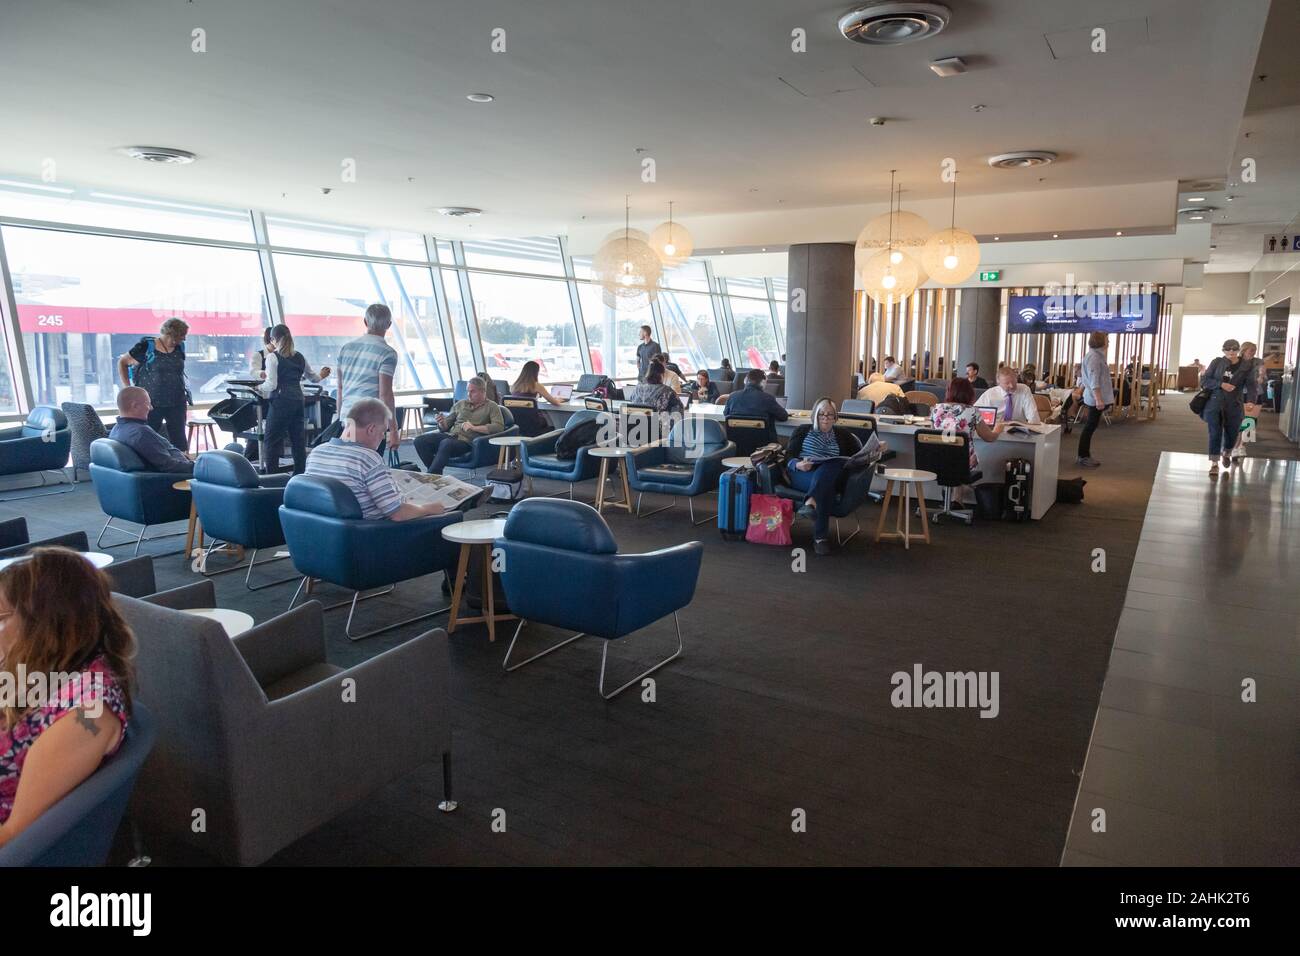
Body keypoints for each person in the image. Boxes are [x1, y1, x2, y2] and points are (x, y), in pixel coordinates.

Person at [0, 548, 134, 848]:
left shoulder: (86, 715)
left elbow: (15, 834)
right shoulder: (42, 664)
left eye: (0, 617)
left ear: (42, 625)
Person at [305, 398, 445, 521]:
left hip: (326, 529)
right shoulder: (367, 459)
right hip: (372, 534)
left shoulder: (316, 452)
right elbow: (397, 514)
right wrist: (430, 509)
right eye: (383, 432)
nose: (382, 437)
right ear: (371, 429)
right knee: (443, 514)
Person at [785, 398, 874, 556]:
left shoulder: (843, 434)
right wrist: (797, 464)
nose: (825, 418)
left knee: (831, 465)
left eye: (829, 414)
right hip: (803, 473)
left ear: (835, 417)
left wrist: (877, 449)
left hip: (831, 473)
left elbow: (859, 456)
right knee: (827, 487)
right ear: (815, 415)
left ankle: (811, 502)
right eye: (821, 414)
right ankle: (820, 539)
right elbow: (788, 456)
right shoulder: (802, 430)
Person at [258, 324, 329, 475]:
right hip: (298, 400)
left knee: (271, 441)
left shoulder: (272, 357)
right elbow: (314, 378)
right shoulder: (299, 357)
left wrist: (258, 388)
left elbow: (271, 384)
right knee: (298, 442)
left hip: (281, 402)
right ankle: (300, 477)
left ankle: (273, 479)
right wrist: (322, 374)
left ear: (273, 339)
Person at [332, 303, 400, 452]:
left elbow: (340, 388)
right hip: (371, 425)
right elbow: (385, 394)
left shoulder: (346, 349)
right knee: (369, 467)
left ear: (365, 322)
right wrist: (393, 430)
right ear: (388, 324)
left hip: (347, 419)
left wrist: (340, 418)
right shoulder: (387, 353)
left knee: (348, 466)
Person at [117, 317, 190, 450]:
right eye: (182, 336)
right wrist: (128, 388)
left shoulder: (180, 347)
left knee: (179, 438)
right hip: (150, 403)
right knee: (147, 437)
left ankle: (183, 465)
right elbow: (123, 362)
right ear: (171, 334)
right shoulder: (146, 346)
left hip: (177, 400)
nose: (184, 339)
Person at [414, 376, 504, 473]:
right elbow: (445, 426)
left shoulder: (491, 406)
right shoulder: (461, 404)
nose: (469, 394)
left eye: (473, 391)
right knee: (419, 440)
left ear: (482, 392)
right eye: (468, 391)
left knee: (446, 443)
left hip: (467, 442)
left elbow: (498, 427)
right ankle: (435, 473)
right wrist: (441, 423)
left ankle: (432, 476)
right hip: (450, 436)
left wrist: (474, 428)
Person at [108, 386, 196, 475]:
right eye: (148, 403)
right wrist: (197, 466)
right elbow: (168, 465)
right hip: (175, 478)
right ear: (135, 406)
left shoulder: (117, 429)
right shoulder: (140, 432)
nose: (151, 408)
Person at [931, 377, 1007, 474]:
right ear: (969, 393)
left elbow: (932, 435)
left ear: (949, 391)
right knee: (977, 457)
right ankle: (962, 488)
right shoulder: (972, 411)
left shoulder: (936, 409)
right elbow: (989, 438)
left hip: (937, 462)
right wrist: (998, 429)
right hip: (964, 464)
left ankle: (954, 488)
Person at [1200, 339, 1250, 477]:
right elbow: (1204, 381)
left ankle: (1226, 452)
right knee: (1215, 432)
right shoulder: (1217, 362)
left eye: (1234, 349)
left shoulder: (1245, 366)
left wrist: (1251, 399)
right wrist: (1221, 384)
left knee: (1232, 433)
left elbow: (1250, 384)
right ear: (1223, 350)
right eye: (1228, 349)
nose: (1231, 351)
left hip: (1234, 404)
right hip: (1215, 403)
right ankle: (1214, 463)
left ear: (1238, 350)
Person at [1075, 332, 1114, 468]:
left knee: (1090, 427)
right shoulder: (1094, 358)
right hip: (1094, 398)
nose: (1108, 342)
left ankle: (1083, 455)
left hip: (1094, 397)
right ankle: (1083, 456)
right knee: (1089, 427)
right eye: (1107, 340)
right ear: (1100, 341)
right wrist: (1098, 399)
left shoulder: (1096, 356)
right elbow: (1093, 381)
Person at [723, 368, 788, 434]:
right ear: (763, 382)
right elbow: (784, 416)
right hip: (764, 442)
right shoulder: (767, 398)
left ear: (745, 381)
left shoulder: (732, 396)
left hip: (736, 441)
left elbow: (726, 413)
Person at [1231, 342, 1264, 461]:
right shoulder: (1236, 361)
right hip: (1242, 394)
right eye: (1251, 350)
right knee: (1242, 421)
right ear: (1243, 350)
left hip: (1257, 394)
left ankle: (1242, 446)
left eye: (1254, 350)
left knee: (1250, 422)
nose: (1253, 353)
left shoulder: (1258, 361)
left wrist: (1261, 375)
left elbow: (1262, 371)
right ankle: (1234, 447)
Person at [975, 366, 1041, 423]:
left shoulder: (1024, 390)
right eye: (1007, 383)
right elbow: (974, 413)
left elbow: (1033, 417)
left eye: (1013, 382)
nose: (1011, 386)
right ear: (998, 382)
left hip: (1018, 431)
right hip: (995, 430)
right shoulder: (990, 394)